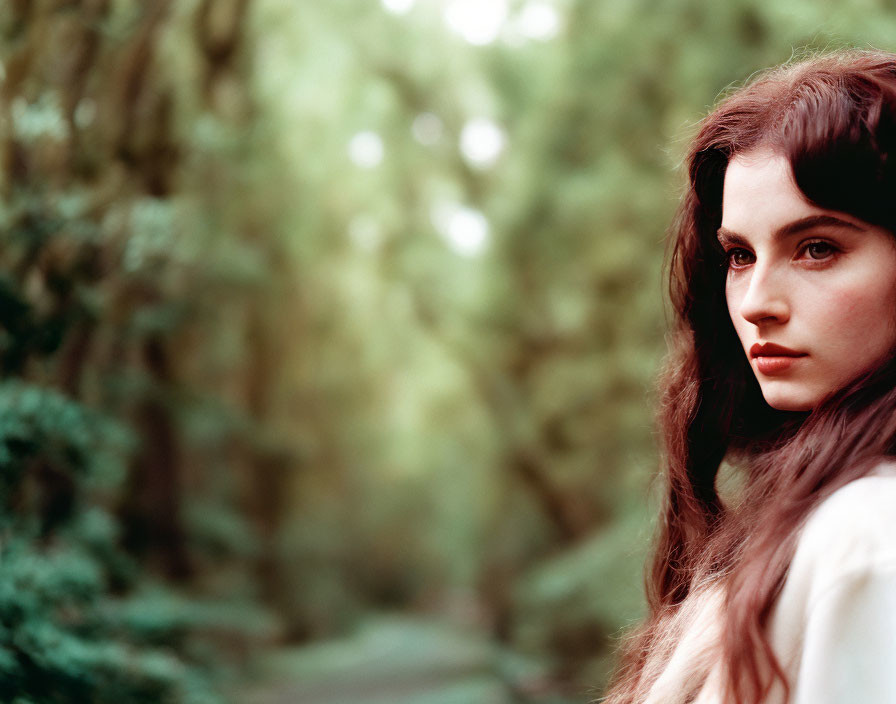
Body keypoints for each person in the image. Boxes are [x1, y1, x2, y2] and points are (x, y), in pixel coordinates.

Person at [602, 50, 896, 704]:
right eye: (739, 255)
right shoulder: (824, 519)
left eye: (817, 247)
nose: (757, 300)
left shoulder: (870, 538)